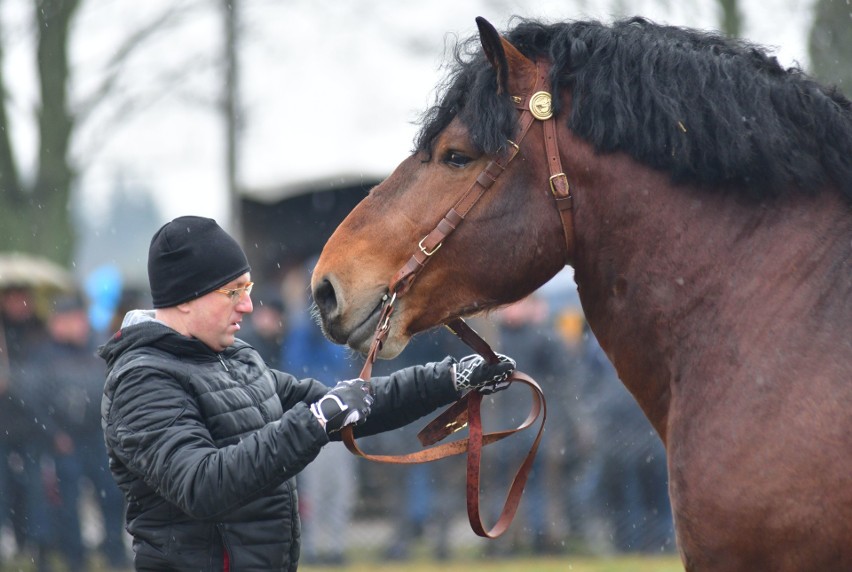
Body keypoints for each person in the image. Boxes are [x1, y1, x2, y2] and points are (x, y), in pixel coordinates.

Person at [98, 215, 516, 571]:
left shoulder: (237, 358)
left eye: (248, 288)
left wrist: (453, 379)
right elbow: (203, 484)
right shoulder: (142, 381)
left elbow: (352, 403)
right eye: (233, 292)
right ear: (185, 300)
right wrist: (315, 421)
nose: (248, 306)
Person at [29, 293, 129, 570]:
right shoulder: (45, 354)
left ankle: (114, 552)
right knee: (67, 502)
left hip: (99, 436)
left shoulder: (99, 347)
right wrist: (53, 433)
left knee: (110, 495)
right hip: (64, 440)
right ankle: (75, 557)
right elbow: (35, 400)